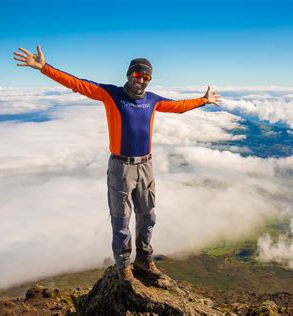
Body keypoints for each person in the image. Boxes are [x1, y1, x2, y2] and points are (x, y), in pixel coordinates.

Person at [13, 45, 221, 285]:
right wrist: (45, 68)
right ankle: (124, 266)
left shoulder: (152, 100)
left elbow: (178, 106)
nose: (141, 80)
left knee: (148, 216)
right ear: (128, 74)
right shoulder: (111, 94)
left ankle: (144, 259)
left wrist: (203, 101)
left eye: (146, 77)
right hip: (120, 167)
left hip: (146, 166)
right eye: (137, 75)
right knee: (121, 219)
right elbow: (77, 84)